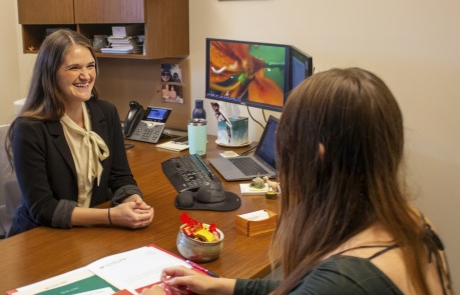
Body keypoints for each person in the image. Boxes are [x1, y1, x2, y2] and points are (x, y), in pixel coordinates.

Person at [143, 68, 452, 295]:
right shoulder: (413, 223)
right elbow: (301, 286)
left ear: (315, 155)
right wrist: (223, 286)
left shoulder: (342, 280)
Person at [6, 30, 154, 236]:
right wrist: (111, 216)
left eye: (90, 66)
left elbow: (120, 177)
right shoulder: (29, 128)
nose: (86, 76)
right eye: (74, 68)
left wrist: (133, 201)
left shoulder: (106, 112)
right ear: (50, 73)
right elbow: (42, 208)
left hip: (89, 231)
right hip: (42, 234)